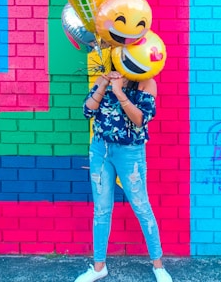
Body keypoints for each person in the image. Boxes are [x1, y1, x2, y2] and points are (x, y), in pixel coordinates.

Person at [74, 70, 173, 282]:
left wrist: (119, 93)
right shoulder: (105, 79)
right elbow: (87, 111)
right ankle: (99, 266)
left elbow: (141, 120)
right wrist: (103, 84)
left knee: (141, 206)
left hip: (130, 153)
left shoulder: (146, 83)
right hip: (101, 150)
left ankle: (158, 265)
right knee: (101, 210)